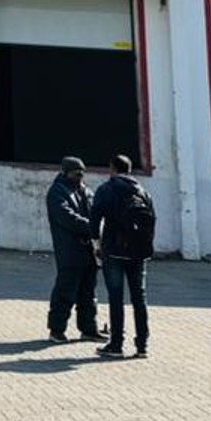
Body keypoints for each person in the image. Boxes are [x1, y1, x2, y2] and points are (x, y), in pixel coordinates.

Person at [90, 154, 154, 359]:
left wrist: (96, 244)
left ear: (112, 169)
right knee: (139, 299)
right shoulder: (143, 191)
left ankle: (116, 344)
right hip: (138, 253)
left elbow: (94, 219)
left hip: (115, 252)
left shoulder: (106, 190)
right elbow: (152, 220)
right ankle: (142, 345)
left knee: (116, 298)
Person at [45, 155, 104, 344]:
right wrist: (92, 227)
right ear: (65, 173)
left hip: (89, 251)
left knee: (88, 293)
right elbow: (67, 218)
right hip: (69, 251)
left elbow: (96, 211)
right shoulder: (57, 192)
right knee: (65, 292)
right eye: (75, 174)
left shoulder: (85, 191)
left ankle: (89, 329)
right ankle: (57, 330)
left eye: (81, 174)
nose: (79, 178)